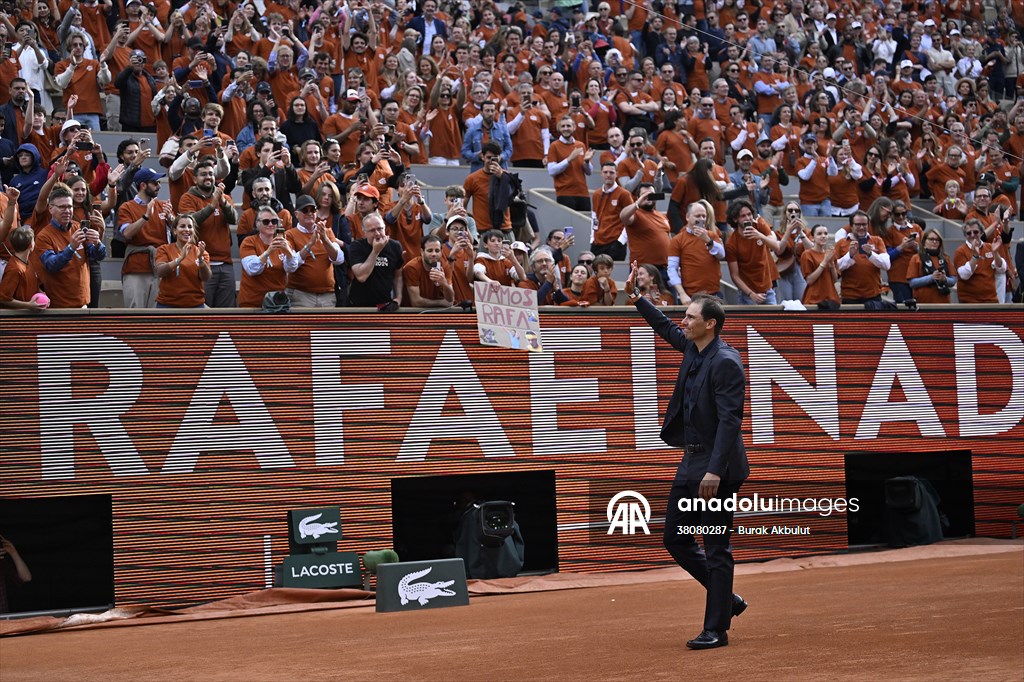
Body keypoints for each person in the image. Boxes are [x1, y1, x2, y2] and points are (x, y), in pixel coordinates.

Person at [623, 275, 749, 650]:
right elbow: (664, 326)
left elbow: (731, 421)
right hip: (690, 460)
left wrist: (714, 470)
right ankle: (726, 599)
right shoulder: (694, 348)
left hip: (716, 468)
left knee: (716, 545)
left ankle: (716, 628)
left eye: (691, 317)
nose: (683, 320)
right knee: (674, 538)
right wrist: (636, 298)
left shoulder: (726, 361)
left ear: (710, 323)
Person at [32, 184, 105, 309]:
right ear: (50, 209)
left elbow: (98, 256)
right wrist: (71, 247)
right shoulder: (44, 236)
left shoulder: (78, 227)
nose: (67, 211)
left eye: (70, 207)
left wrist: (97, 243)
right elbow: (51, 265)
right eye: (62, 207)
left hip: (83, 302)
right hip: (58, 305)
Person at [284, 194, 346, 308]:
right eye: (305, 210)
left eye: (313, 210)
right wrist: (310, 244)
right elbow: (290, 266)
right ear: (296, 214)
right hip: (301, 295)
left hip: (327, 295)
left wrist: (325, 239)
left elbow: (339, 259)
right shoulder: (290, 235)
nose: (309, 213)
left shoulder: (326, 232)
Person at [238, 205, 293, 308]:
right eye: (266, 222)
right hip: (253, 303)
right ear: (257, 224)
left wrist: (288, 252)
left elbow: (291, 267)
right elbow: (252, 269)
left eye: (274, 221)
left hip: (277, 303)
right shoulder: (248, 242)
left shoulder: (284, 243)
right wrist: (268, 251)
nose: (271, 224)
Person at [348, 211, 404, 309]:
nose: (377, 233)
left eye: (380, 229)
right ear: (364, 232)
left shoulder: (395, 246)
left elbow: (398, 276)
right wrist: (375, 251)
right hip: (360, 305)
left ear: (385, 228)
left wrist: (398, 298)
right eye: (372, 230)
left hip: (385, 305)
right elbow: (361, 276)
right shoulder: (357, 246)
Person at [154, 214, 211, 308]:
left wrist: (200, 260)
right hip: (167, 305)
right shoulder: (164, 249)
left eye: (190, 227)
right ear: (175, 231)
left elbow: (205, 278)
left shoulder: (201, 252)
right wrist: (179, 259)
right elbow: (160, 271)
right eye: (182, 226)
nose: (187, 230)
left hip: (195, 305)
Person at [835, 211, 890, 304]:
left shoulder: (877, 240)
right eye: (858, 225)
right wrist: (850, 255)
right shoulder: (841, 243)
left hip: (873, 296)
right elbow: (836, 269)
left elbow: (886, 265)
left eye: (864, 224)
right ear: (851, 226)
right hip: (850, 296)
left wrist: (870, 254)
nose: (861, 228)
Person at [403, 234, 454, 308]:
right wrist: (441, 302)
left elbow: (450, 300)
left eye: (437, 251)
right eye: (430, 251)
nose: (434, 254)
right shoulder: (412, 267)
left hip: (438, 312)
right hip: (413, 314)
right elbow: (416, 302)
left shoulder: (445, 266)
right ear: (422, 252)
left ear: (441, 252)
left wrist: (444, 283)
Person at [0, 225, 44, 310]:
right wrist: (28, 305)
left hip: (30, 316)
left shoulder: (28, 263)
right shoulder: (15, 269)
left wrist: (41, 293)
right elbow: (3, 298)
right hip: (18, 319)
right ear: (31, 245)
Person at [906, 229, 955, 305]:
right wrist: (931, 278)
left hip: (944, 302)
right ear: (924, 242)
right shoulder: (916, 258)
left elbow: (953, 280)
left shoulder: (946, 258)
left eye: (937, 240)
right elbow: (912, 283)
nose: (934, 242)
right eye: (931, 239)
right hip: (924, 302)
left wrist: (945, 279)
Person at [800, 224, 840, 306]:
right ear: (812, 238)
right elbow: (809, 280)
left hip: (831, 298)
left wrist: (832, 264)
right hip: (814, 299)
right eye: (819, 234)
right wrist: (824, 262)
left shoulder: (830, 253)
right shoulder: (807, 254)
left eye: (825, 233)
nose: (823, 236)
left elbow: (835, 279)